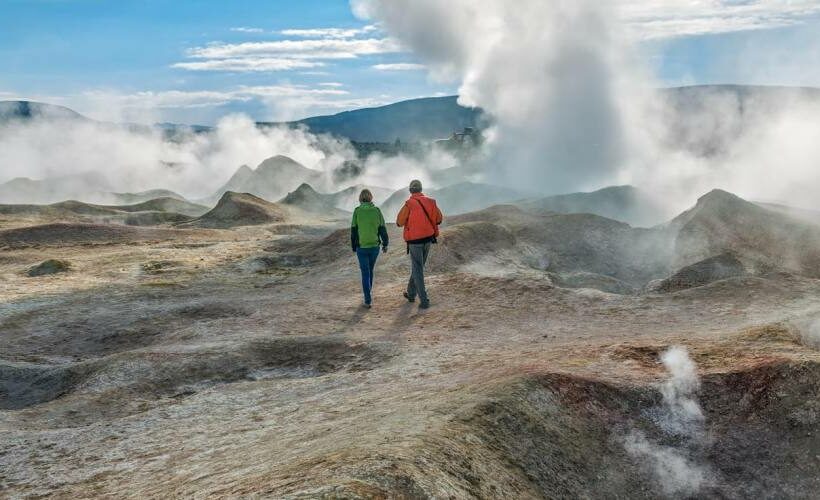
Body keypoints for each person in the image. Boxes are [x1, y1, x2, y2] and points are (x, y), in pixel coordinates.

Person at [396, 179, 443, 309]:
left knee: (418, 269)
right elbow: (439, 219)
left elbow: (399, 222)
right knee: (418, 267)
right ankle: (411, 294)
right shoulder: (431, 202)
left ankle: (424, 300)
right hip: (428, 238)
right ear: (421, 189)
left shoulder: (409, 204)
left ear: (410, 190)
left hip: (414, 241)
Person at [351, 189, 388, 308]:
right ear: (371, 198)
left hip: (362, 248)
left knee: (365, 273)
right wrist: (385, 243)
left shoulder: (357, 211)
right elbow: (382, 228)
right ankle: (368, 295)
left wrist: (354, 246)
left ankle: (367, 299)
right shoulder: (377, 211)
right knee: (370, 270)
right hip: (374, 247)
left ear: (360, 198)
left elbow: (353, 231)